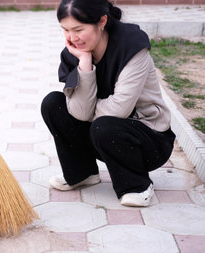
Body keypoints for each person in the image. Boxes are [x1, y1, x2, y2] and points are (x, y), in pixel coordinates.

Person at [41, 0, 176, 207]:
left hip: (149, 140)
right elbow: (79, 113)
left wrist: (90, 114)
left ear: (102, 21)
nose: (72, 38)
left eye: (78, 29)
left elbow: (119, 109)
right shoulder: (74, 54)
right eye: (66, 30)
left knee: (103, 125)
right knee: (53, 103)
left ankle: (137, 185)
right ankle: (82, 173)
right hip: (103, 134)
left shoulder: (132, 47)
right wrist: (85, 64)